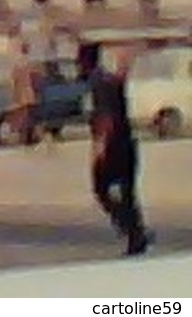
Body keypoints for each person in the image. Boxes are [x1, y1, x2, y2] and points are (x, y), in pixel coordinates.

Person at [80, 43, 153, 256]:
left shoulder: (97, 83)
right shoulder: (109, 80)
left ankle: (129, 228)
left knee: (102, 188)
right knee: (127, 192)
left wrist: (99, 148)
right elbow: (121, 83)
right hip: (128, 142)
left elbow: (105, 118)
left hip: (113, 145)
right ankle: (135, 236)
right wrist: (126, 64)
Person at [10, 49, 39, 148]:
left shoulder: (17, 64)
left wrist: (14, 94)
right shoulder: (30, 63)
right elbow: (35, 78)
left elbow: (14, 80)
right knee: (30, 115)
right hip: (29, 92)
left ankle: (25, 136)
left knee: (24, 115)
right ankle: (30, 136)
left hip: (21, 92)